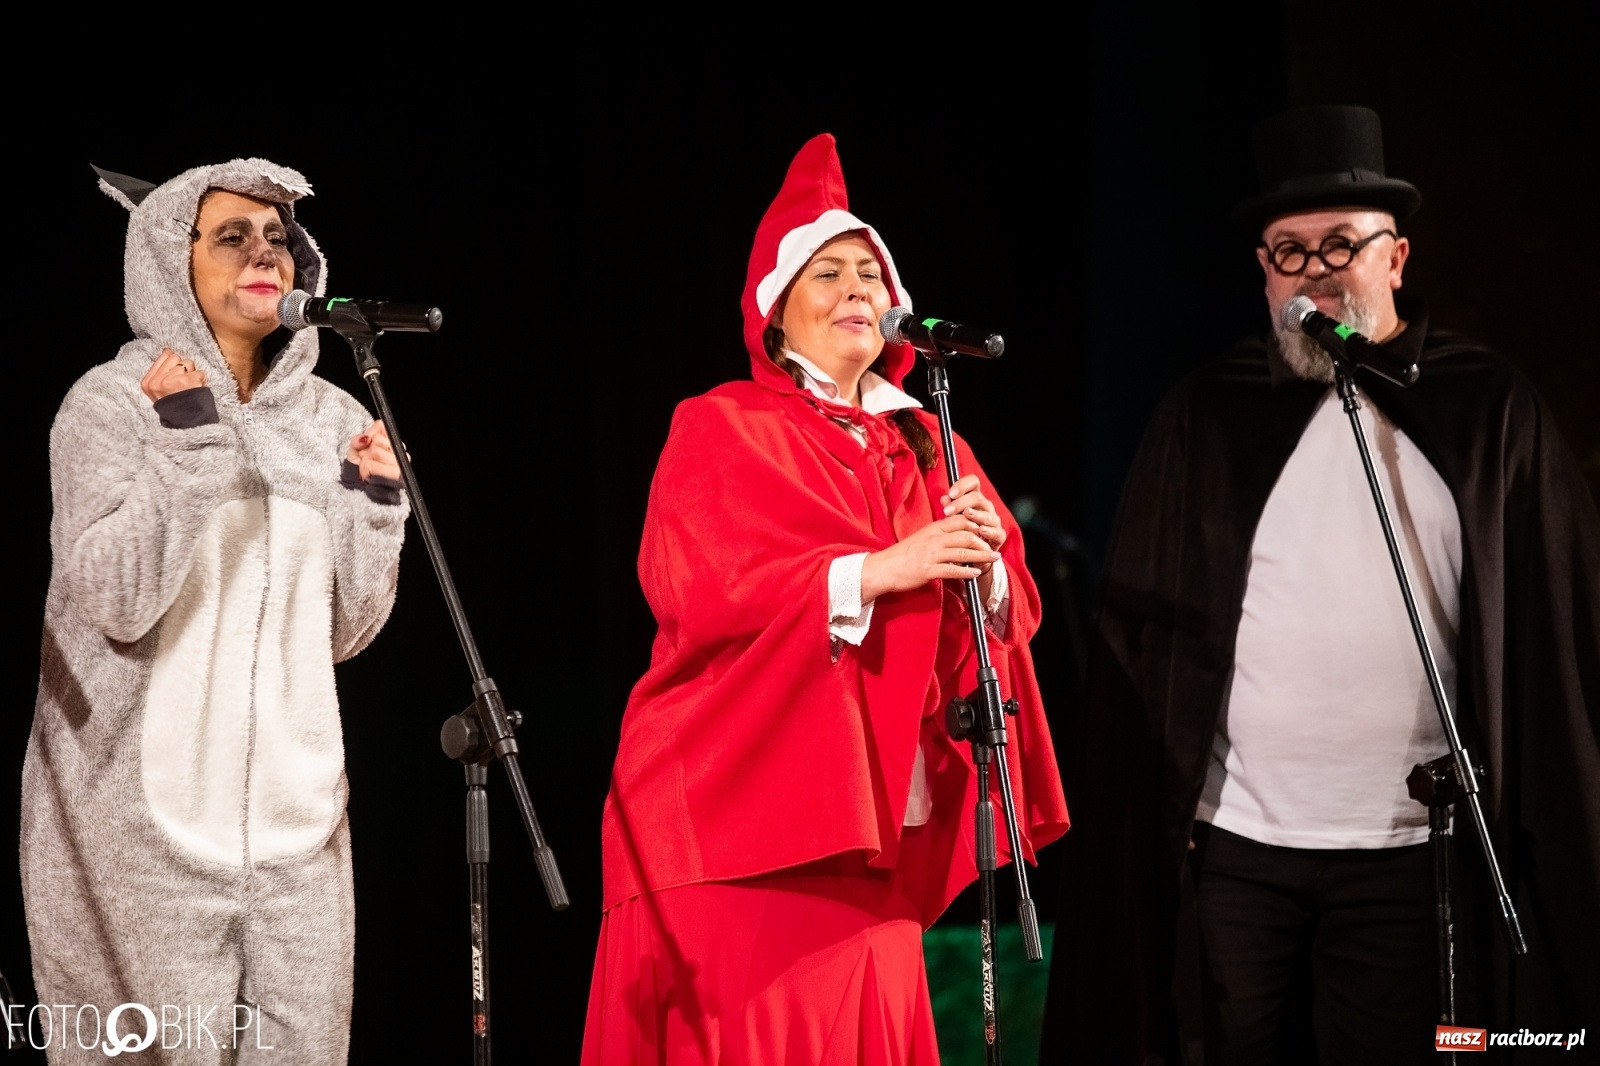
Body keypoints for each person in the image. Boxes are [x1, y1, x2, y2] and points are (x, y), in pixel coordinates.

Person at [1042, 106, 1600, 1064]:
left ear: (1397, 258)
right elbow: (1142, 649)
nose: (1317, 271)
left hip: (1408, 859)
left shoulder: (1486, 407)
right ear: (1264, 274)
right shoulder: (1205, 417)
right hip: (1238, 855)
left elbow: (1558, 641)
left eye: (1342, 243)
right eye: (1288, 253)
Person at [581, 134, 1069, 1064]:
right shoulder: (725, 422)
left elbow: (1010, 621)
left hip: (874, 835)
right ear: (773, 318)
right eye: (828, 274)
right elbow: (696, 588)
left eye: (871, 275)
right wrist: (881, 568)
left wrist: (988, 565)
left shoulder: (931, 441)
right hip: (731, 827)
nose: (859, 290)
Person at [20, 160, 407, 1064]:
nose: (263, 253)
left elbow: (344, 637)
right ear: (168, 258)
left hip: (301, 844)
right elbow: (116, 600)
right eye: (231, 235)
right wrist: (189, 448)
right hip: (141, 844)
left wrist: (373, 515)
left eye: (278, 237)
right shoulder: (111, 405)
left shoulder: (330, 418)